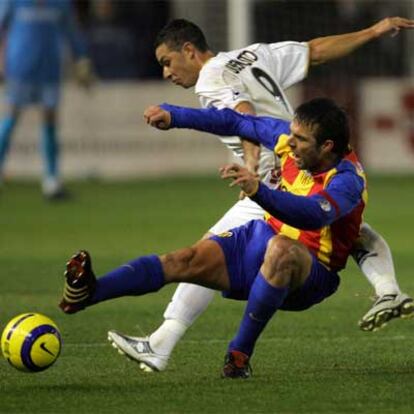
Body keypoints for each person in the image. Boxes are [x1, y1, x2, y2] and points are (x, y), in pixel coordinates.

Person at [108, 18, 414, 372]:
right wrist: (373, 32)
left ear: (189, 51)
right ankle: (389, 288)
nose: (166, 72)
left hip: (276, 176)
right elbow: (315, 51)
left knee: (202, 254)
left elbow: (243, 116)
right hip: (309, 164)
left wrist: (252, 166)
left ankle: (161, 344)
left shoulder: (211, 79)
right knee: (348, 226)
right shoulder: (252, 54)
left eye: (167, 61)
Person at [60, 97, 367, 378]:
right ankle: (90, 292)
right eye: (293, 135)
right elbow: (234, 121)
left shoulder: (347, 180)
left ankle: (238, 355)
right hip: (260, 238)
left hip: (312, 271)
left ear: (327, 146)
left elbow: (312, 215)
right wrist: (175, 115)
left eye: (301, 140)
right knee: (185, 259)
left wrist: (258, 190)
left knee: (282, 250)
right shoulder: (290, 141)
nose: (291, 143)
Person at [0, 0, 93, 199]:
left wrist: (82, 59)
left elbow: (71, 31)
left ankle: (51, 181)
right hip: (20, 68)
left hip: (49, 69)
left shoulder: (60, 3)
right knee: (11, 117)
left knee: (49, 119)